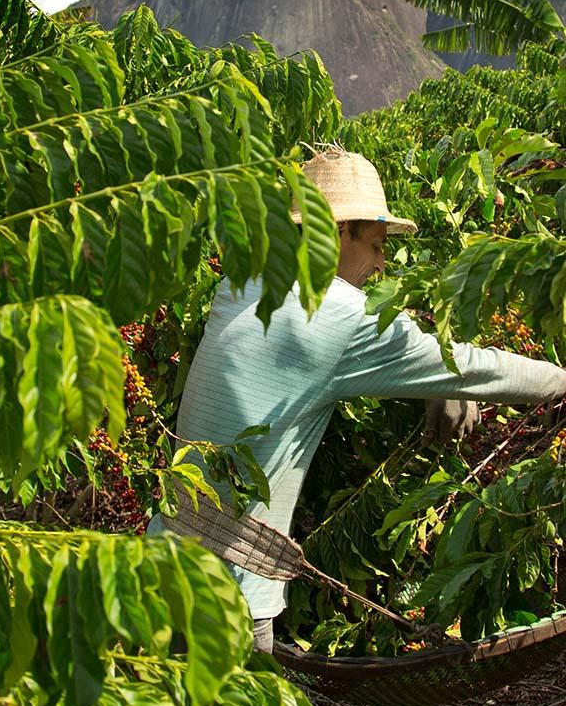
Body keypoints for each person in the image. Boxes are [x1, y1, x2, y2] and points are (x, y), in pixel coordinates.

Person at [147, 149, 566, 654]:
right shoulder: (335, 312)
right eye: (375, 244)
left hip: (158, 563)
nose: (381, 264)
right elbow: (477, 367)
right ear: (338, 232)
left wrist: (435, 382)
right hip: (228, 600)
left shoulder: (241, 286)